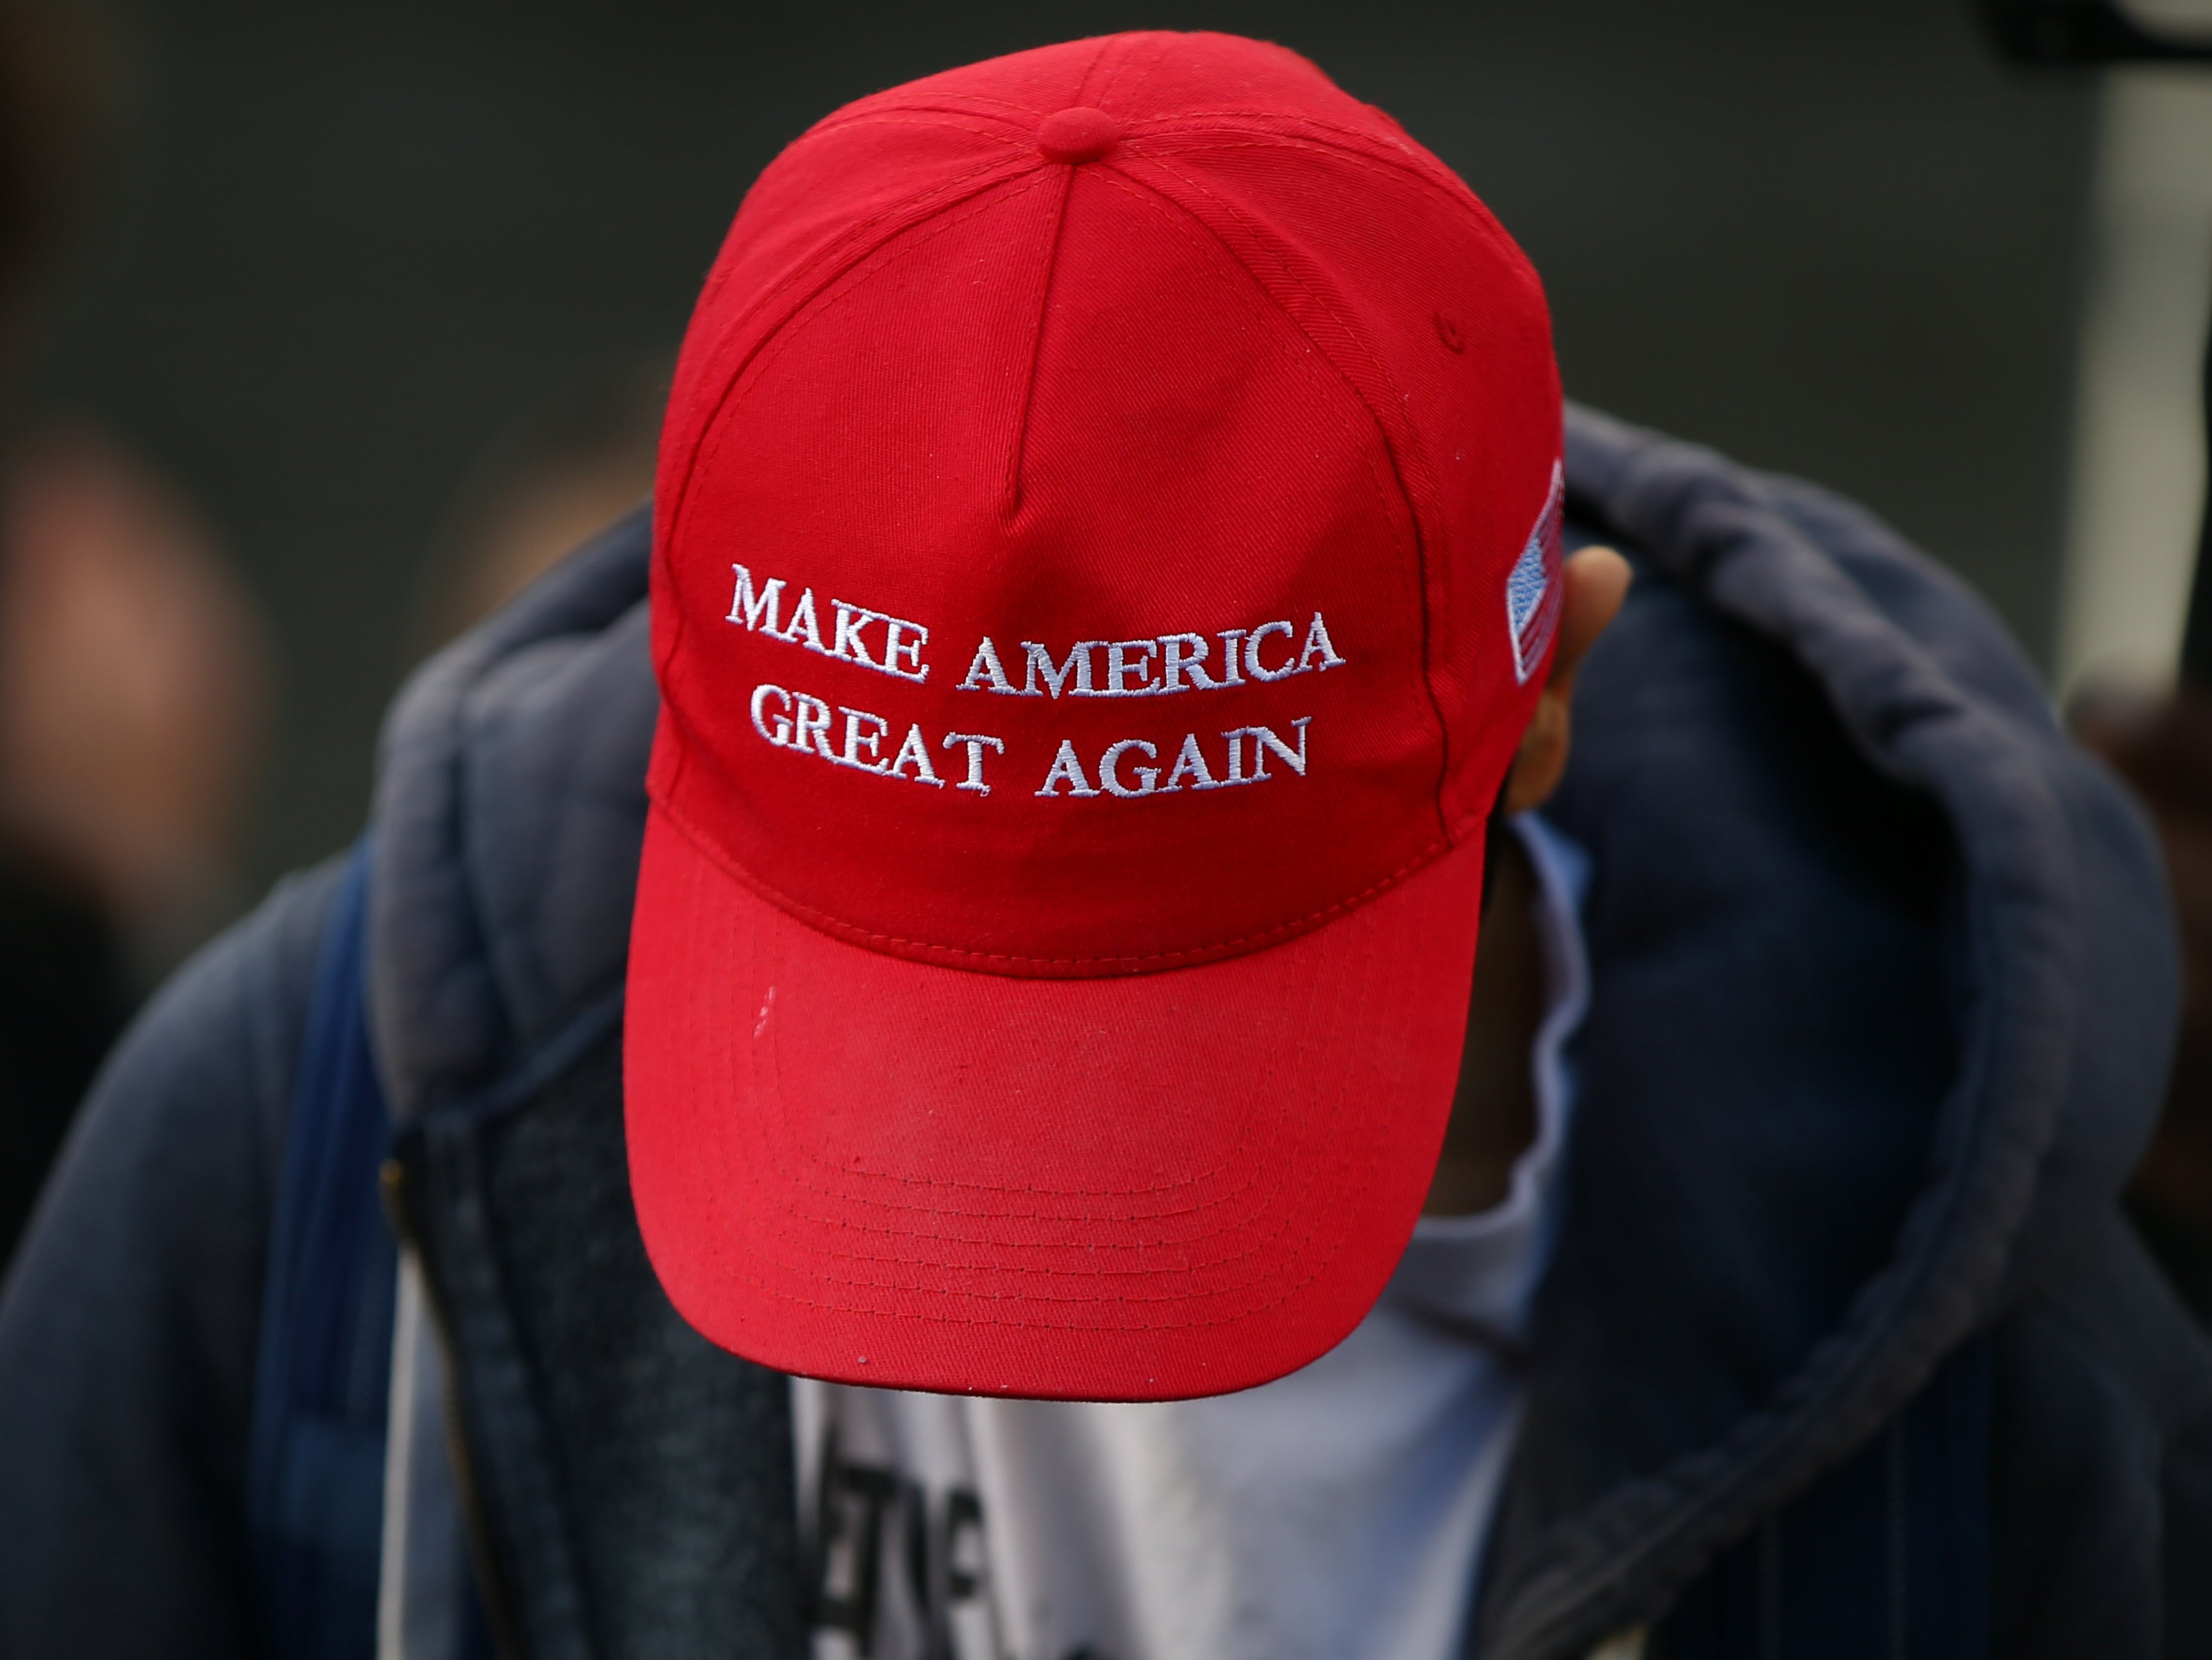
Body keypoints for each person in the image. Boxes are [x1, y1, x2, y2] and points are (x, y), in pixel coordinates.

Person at [1, 31, 2205, 1660]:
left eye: (1175, 994)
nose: (1004, 1285)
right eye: (890, 953)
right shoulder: (306, 1168)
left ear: (1555, 683)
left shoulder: (1995, 1389)